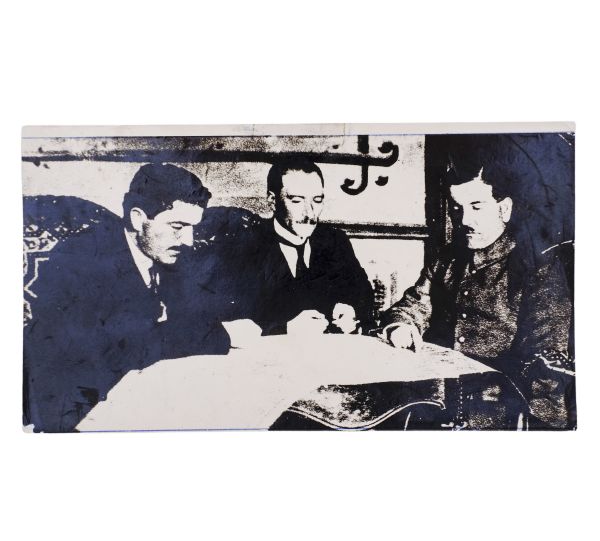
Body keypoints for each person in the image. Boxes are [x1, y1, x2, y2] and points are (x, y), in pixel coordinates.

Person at [379, 136, 574, 427]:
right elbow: (413, 305)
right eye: (457, 209)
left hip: (504, 416)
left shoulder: (538, 268)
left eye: (477, 207)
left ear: (504, 209)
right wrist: (402, 326)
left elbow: (545, 367)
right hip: (439, 406)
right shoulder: (447, 259)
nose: (464, 221)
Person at [24, 163, 230, 432]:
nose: (188, 241)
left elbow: (214, 335)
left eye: (193, 228)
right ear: (137, 218)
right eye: (178, 226)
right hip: (80, 416)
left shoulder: (173, 256)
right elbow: (91, 364)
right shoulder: (77, 262)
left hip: (146, 398)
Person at [226, 159, 374, 336]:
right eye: (297, 201)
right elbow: (230, 317)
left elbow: (363, 293)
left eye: (317, 200)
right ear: (273, 201)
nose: (309, 213)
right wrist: (283, 328)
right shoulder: (246, 245)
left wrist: (351, 309)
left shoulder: (334, 241)